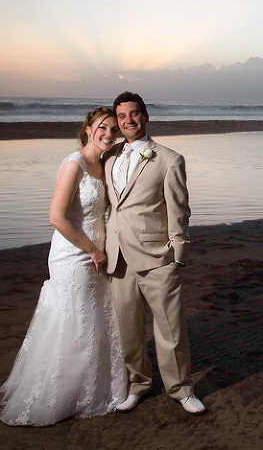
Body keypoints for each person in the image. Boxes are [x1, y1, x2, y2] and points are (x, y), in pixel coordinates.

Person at [0, 108, 126, 426]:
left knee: (95, 319)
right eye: (102, 128)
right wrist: (93, 250)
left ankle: (92, 387)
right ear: (87, 129)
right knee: (76, 321)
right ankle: (61, 395)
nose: (108, 134)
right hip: (74, 254)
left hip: (99, 252)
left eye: (113, 129)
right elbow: (57, 217)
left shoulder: (104, 163)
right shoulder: (75, 164)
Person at [104, 91, 205, 414]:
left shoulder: (168, 159)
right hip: (118, 258)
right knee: (128, 329)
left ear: (145, 116)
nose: (128, 121)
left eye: (133, 114)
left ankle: (181, 390)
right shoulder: (109, 157)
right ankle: (138, 385)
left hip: (158, 257)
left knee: (171, 329)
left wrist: (178, 255)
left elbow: (179, 210)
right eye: (121, 116)